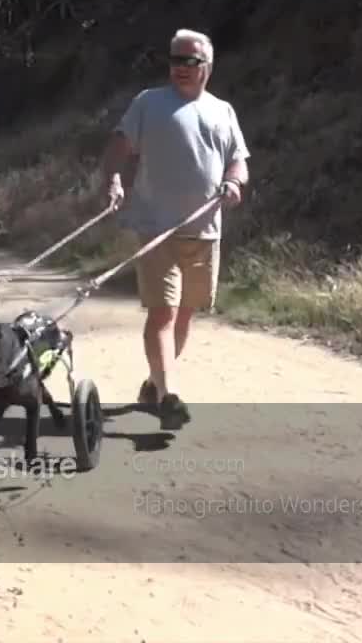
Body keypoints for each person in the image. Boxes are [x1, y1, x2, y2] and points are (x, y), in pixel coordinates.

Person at [97, 28, 250, 430]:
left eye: (190, 61)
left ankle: (154, 384)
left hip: (204, 230)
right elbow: (119, 145)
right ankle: (168, 397)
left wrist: (234, 182)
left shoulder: (223, 111)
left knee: (185, 316)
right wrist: (113, 179)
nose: (181, 68)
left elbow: (239, 160)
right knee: (162, 313)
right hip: (156, 228)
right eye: (175, 60)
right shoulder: (149, 103)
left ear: (208, 67)